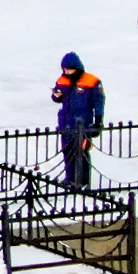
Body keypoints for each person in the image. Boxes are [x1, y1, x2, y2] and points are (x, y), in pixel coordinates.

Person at [51, 53, 105, 188]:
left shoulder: (92, 81)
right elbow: (57, 98)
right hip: (66, 122)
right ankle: (70, 178)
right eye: (65, 69)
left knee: (82, 151)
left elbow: (99, 101)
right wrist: (56, 95)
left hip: (83, 123)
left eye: (70, 69)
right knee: (67, 150)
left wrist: (98, 121)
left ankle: (83, 180)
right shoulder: (62, 80)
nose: (67, 72)